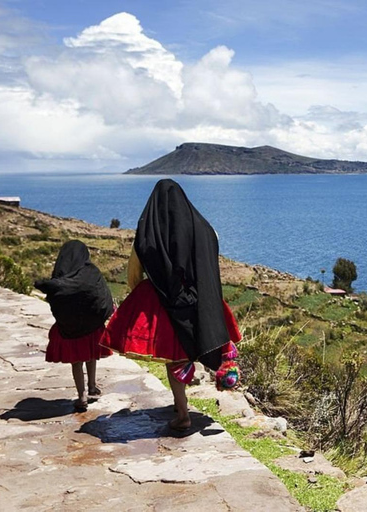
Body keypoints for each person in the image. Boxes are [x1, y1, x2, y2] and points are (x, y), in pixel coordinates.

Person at [103, 179, 241, 431]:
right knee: (205, 344)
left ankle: (182, 412)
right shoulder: (205, 230)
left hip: (164, 302)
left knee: (174, 360)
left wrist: (141, 298)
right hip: (204, 299)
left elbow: (134, 274)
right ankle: (214, 385)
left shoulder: (148, 236)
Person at [34, 240, 114, 412]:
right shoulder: (91, 273)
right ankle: (92, 386)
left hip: (71, 329)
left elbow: (55, 298)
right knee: (92, 355)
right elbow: (102, 295)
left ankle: (82, 395)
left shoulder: (61, 277)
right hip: (92, 327)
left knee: (76, 362)